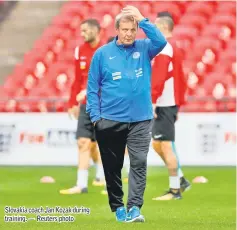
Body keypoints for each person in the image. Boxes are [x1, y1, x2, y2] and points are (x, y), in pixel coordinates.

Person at [86, 5, 167, 222]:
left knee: (139, 162)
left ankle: (134, 208)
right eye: (125, 29)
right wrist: (96, 118)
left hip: (141, 119)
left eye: (133, 29)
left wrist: (143, 20)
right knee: (113, 168)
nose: (129, 34)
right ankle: (118, 207)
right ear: (117, 30)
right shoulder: (102, 54)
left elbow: (161, 41)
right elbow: (92, 88)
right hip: (110, 121)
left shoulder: (144, 47)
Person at [60, 19, 105, 195]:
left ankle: (106, 179)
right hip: (86, 105)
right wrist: (72, 102)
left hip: (105, 105)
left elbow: (106, 78)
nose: (82, 33)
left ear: (96, 30)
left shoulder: (106, 51)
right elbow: (77, 79)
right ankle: (81, 184)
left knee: (102, 145)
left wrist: (86, 92)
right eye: (81, 30)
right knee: (83, 142)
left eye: (85, 30)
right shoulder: (80, 50)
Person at [151, 12, 191, 201]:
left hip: (163, 103)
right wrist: (178, 105)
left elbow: (159, 78)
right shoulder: (172, 48)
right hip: (168, 103)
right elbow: (180, 78)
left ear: (162, 27)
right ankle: (180, 178)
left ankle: (175, 190)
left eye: (154, 26)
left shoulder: (164, 48)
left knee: (164, 145)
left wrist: (152, 100)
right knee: (158, 144)